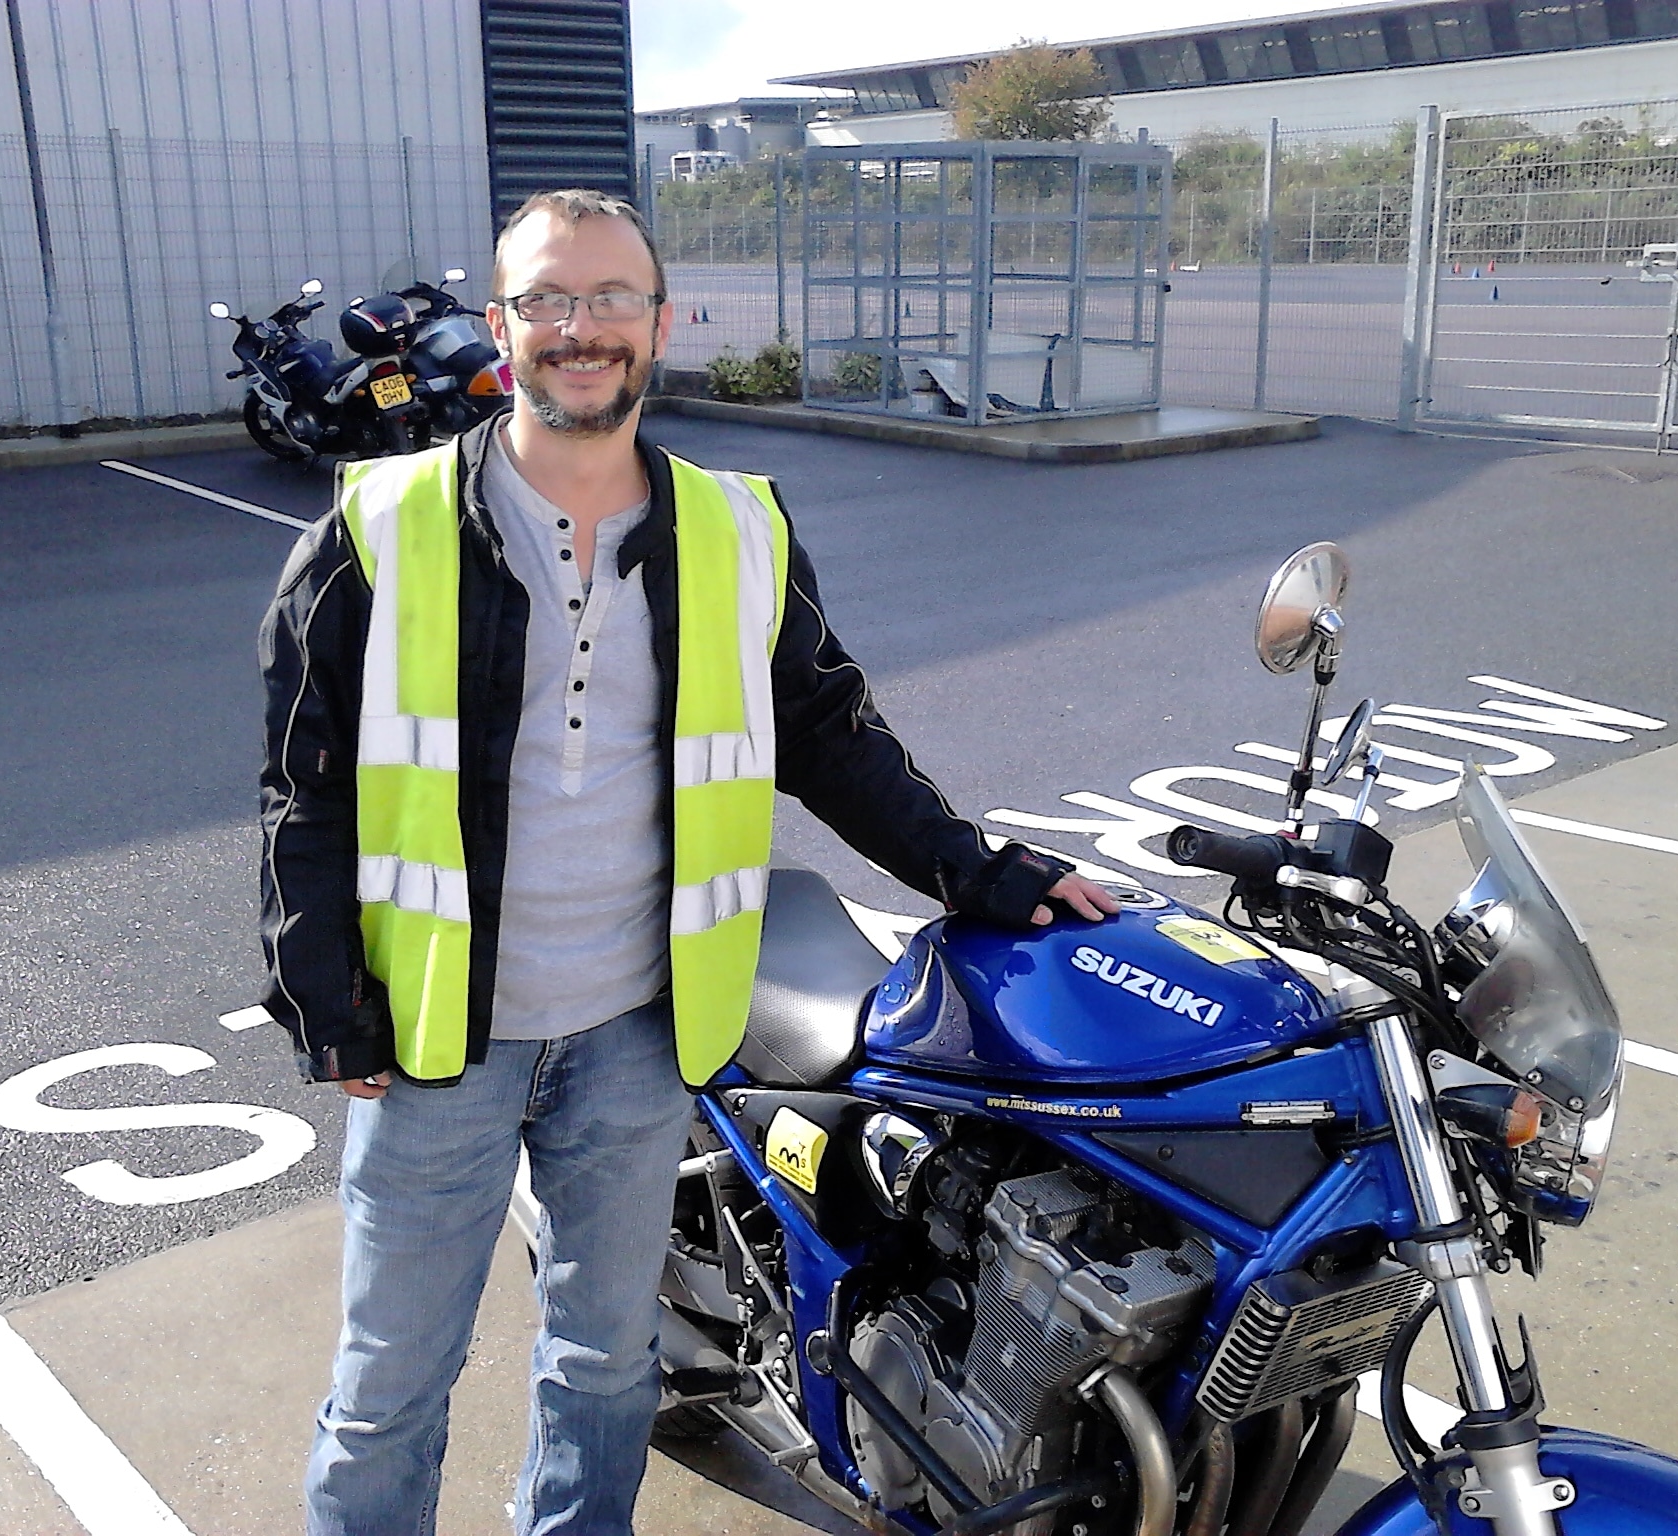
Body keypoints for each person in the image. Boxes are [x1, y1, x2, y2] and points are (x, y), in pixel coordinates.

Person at [258, 187, 1117, 1536]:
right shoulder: (382, 526)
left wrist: (983, 870)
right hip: (434, 1041)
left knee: (605, 1371)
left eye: (610, 298)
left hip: (641, 1035)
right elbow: (301, 787)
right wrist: (322, 993)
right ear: (501, 326)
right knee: (391, 1386)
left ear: (661, 324)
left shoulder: (738, 530)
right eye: (547, 298)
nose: (579, 327)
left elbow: (831, 736)